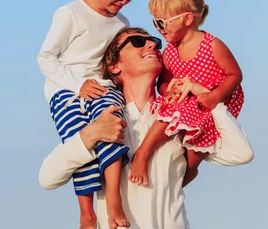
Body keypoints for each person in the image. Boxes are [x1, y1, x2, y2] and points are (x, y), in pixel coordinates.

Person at [39, 27, 254, 229]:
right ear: (114, 65)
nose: (152, 45)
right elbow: (47, 179)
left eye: (155, 42)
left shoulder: (182, 117)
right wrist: (92, 133)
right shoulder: (103, 116)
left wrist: (208, 98)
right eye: (138, 41)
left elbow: (241, 153)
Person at [37, 0, 141, 229]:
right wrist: (77, 84)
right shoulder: (70, 13)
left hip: (103, 87)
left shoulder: (122, 22)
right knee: (82, 141)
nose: (122, 1)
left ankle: (113, 202)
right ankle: (86, 213)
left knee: (112, 126)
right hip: (66, 90)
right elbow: (45, 57)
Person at [128, 0, 245, 188]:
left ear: (187, 19)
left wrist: (214, 97)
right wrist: (168, 90)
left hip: (210, 99)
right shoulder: (171, 52)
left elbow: (235, 75)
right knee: (176, 108)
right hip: (184, 102)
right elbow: (162, 83)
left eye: (162, 23)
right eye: (155, 23)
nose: (158, 30)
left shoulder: (212, 45)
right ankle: (143, 153)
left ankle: (187, 174)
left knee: (195, 152)